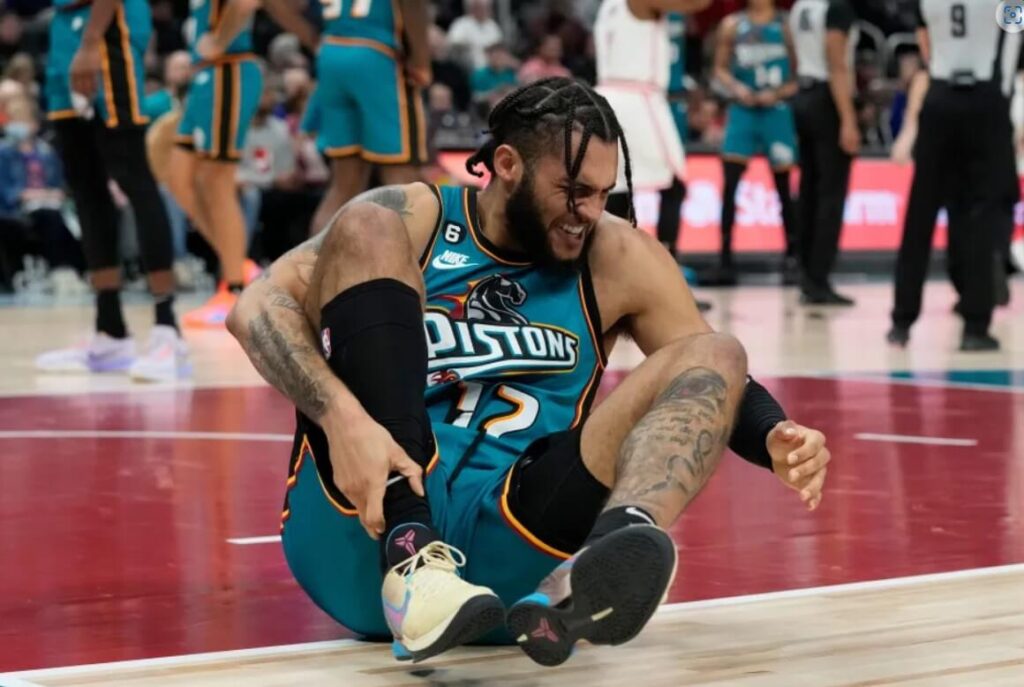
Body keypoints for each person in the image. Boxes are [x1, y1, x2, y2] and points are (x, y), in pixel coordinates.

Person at [227, 78, 832, 666]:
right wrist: (341, 419)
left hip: (508, 549)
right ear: (509, 164)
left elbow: (713, 377)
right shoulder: (415, 217)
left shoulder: (616, 254)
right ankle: (415, 560)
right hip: (362, 528)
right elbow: (255, 308)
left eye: (601, 192)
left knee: (717, 351)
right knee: (363, 221)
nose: (588, 212)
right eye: (572, 190)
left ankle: (605, 563)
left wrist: (773, 435)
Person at [37, 0, 189, 382]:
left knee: (133, 178)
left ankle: (168, 328)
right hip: (64, 35)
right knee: (86, 188)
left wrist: (90, 42)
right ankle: (110, 330)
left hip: (107, 36)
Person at [887, 0, 1022, 351]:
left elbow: (924, 42)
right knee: (981, 214)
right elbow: (1015, 33)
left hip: (941, 95)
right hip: (985, 98)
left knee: (922, 210)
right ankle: (975, 325)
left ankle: (901, 321)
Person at [164, 0, 304, 327]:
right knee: (178, 178)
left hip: (228, 69)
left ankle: (235, 288)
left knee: (217, 181)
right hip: (207, 75)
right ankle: (239, 264)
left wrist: (218, 40)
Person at [305, 0, 432, 236]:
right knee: (402, 180)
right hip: (377, 55)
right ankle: (406, 270)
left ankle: (313, 268)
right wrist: (422, 61)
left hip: (331, 52)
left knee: (344, 184)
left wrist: (309, 37)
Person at [712, 0, 799, 286]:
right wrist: (737, 88)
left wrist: (779, 93)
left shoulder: (786, 25)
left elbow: (799, 75)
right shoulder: (733, 25)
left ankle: (793, 256)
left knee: (784, 188)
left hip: (776, 110)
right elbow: (720, 69)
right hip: (743, 110)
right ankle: (725, 258)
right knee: (731, 186)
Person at [790, 0, 859, 305]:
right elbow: (837, 62)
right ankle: (819, 279)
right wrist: (848, 118)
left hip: (803, 94)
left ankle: (806, 273)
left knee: (809, 190)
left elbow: (793, 51)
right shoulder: (837, 8)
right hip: (827, 99)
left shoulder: (799, 7)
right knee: (831, 194)